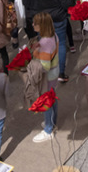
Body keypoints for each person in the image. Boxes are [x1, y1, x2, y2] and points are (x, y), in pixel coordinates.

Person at [29, 0, 72, 83]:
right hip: (57, 19)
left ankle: (44, 70)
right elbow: (66, 3)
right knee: (61, 44)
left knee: (43, 44)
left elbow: (28, 1)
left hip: (41, 21)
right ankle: (61, 73)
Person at [31, 12, 60, 143]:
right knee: (52, 98)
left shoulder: (44, 42)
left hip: (48, 75)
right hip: (55, 72)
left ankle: (48, 129)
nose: (33, 25)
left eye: (35, 24)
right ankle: (52, 123)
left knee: (46, 101)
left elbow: (44, 66)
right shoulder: (53, 35)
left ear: (41, 26)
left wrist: (34, 54)